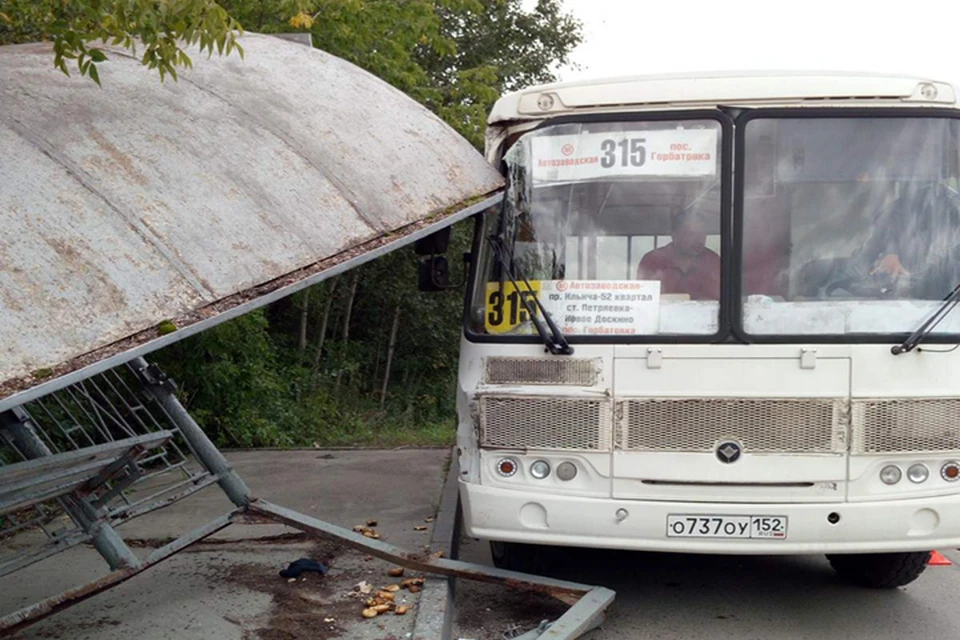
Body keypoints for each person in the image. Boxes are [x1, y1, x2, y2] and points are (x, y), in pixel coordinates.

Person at [637, 209, 720, 300]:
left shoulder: (714, 262)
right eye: (691, 234)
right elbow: (644, 301)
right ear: (674, 235)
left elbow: (719, 301)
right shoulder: (652, 261)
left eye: (702, 234)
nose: (698, 239)